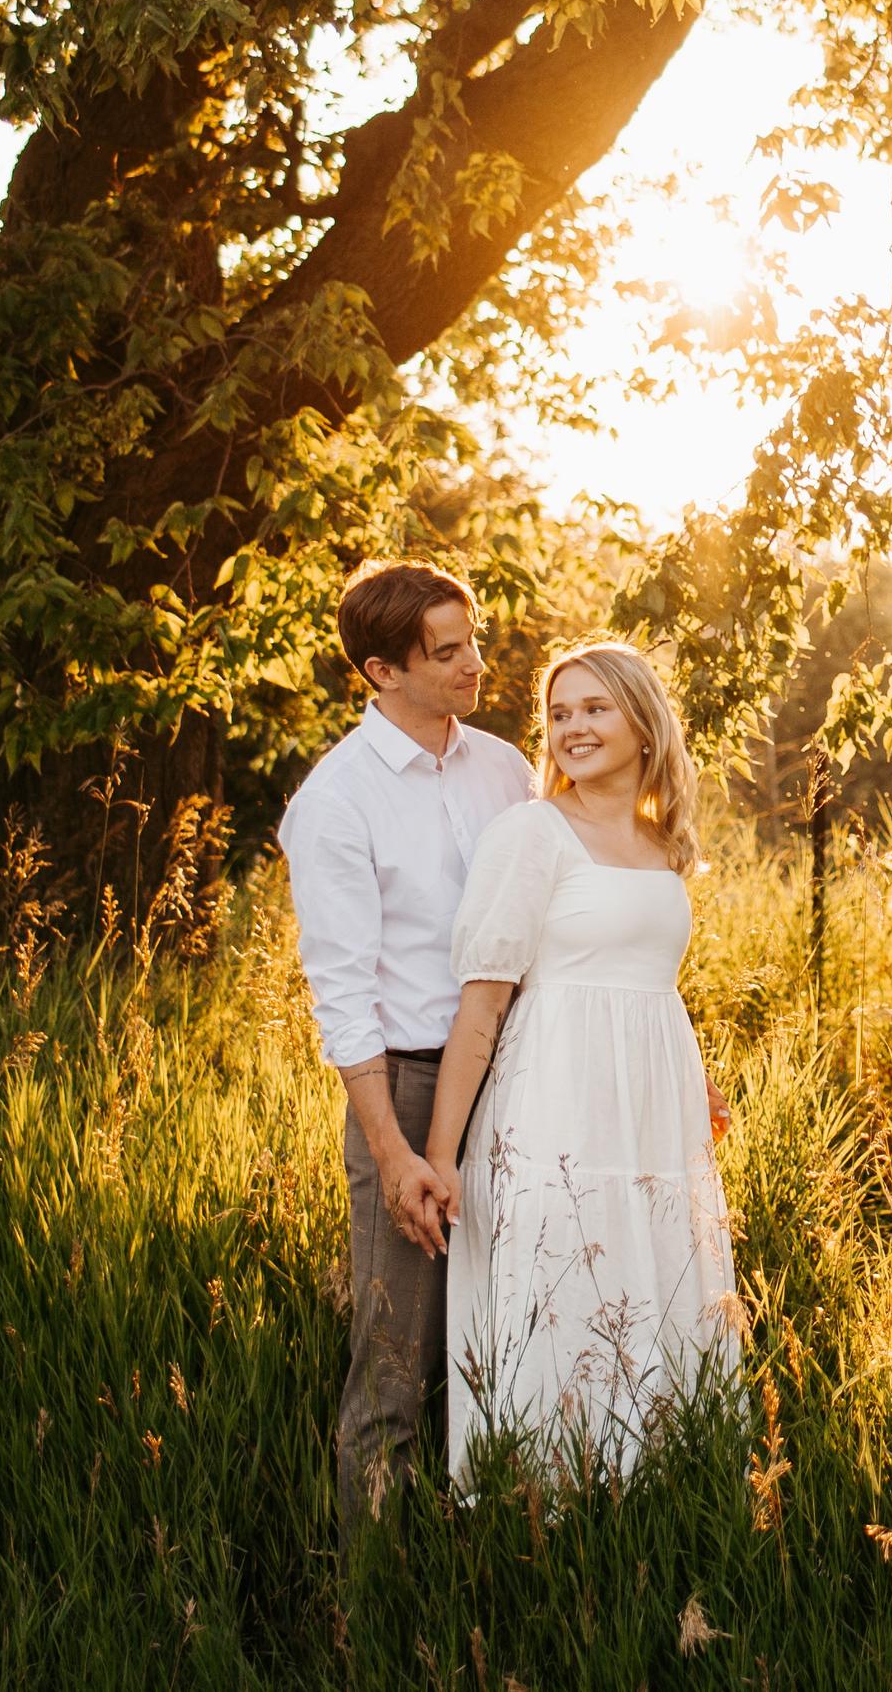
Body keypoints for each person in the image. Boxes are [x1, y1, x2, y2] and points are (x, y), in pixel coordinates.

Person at [423, 640, 739, 1488]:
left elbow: (645, 981)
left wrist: (690, 1078)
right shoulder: (532, 832)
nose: (573, 728)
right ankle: (542, 1514)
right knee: (563, 1283)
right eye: (559, 713)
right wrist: (442, 1157)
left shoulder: (663, 839)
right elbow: (483, 1008)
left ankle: (651, 1494)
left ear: (643, 722)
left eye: (595, 708)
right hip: (554, 1099)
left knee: (649, 1277)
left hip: (650, 1108)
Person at [275, 562, 538, 1522]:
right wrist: (392, 1152)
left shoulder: (508, 768)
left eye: (474, 638)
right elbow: (343, 996)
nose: (477, 663)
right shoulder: (337, 801)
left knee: (518, 1341)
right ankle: (374, 1613)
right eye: (449, 650)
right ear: (383, 670)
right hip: (415, 1087)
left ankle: (512, 1560)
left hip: (526, 1080)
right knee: (393, 1367)